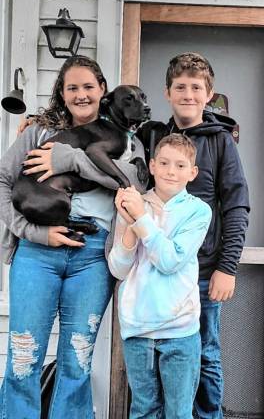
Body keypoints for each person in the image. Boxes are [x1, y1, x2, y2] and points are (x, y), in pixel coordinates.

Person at [0, 55, 147, 419]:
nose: (81, 95)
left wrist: (69, 160)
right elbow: (3, 182)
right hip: (37, 251)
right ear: (62, 94)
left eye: (88, 87)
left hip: (94, 255)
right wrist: (34, 232)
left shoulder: (129, 142)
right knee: (23, 357)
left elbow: (136, 182)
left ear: (103, 91)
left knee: (77, 361)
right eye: (72, 88)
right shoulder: (37, 132)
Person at [140, 52, 250, 419]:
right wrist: (41, 123)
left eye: (196, 88)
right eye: (180, 87)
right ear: (167, 92)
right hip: (155, 271)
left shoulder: (221, 142)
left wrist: (227, 267)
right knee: (152, 355)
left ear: (209, 94)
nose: (188, 94)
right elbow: (105, 134)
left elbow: (237, 205)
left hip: (202, 273)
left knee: (205, 354)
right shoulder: (151, 134)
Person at [108, 133, 212, 418]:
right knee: (143, 410)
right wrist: (131, 224)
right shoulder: (133, 204)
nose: (170, 171)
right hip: (137, 328)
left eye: (180, 166)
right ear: (152, 166)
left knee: (178, 413)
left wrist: (141, 219)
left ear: (192, 173)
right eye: (164, 163)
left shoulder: (198, 212)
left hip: (179, 330)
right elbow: (118, 268)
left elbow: (170, 260)